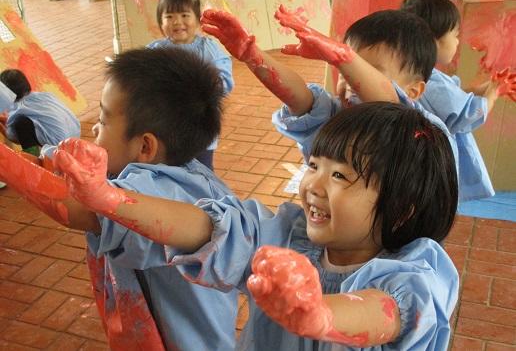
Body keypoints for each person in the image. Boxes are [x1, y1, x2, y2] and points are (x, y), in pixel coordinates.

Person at [50, 102, 460, 350]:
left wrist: (318, 314)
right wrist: (109, 199)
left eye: (341, 177)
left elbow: (388, 314)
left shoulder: (417, 273)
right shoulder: (289, 236)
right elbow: (208, 228)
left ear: (402, 208)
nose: (314, 185)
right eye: (314, 166)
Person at [0, 48, 238, 350]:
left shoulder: (155, 191)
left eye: (103, 119)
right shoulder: (180, 168)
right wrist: (42, 158)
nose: (96, 128)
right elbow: (77, 175)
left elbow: (78, 209)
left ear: (145, 147)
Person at [197, 7, 460, 179]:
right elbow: (299, 97)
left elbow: (390, 107)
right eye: (344, 72)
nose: (349, 81)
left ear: (414, 91)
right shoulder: (336, 117)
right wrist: (252, 55)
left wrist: (341, 56)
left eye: (364, 71)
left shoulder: (421, 133)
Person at [400, 0, 516, 200]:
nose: (458, 42)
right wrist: (494, 92)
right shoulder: (430, 80)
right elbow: (468, 113)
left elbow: (459, 96)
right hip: (430, 166)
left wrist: (492, 85)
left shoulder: (417, 72)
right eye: (454, 35)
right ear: (432, 40)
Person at [146, 0, 234, 170]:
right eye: (169, 17)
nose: (177, 22)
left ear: (197, 19)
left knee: (202, 171)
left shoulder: (208, 49)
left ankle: (205, 197)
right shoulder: (155, 51)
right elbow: (141, 82)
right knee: (170, 170)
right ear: (160, 22)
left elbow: (224, 83)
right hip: (166, 129)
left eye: (185, 15)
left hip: (199, 128)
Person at [0, 69, 80, 156]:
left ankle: (34, 158)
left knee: (20, 123)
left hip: (59, 150)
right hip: (75, 141)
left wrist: (3, 128)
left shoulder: (18, 109)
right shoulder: (46, 95)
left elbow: (14, 137)